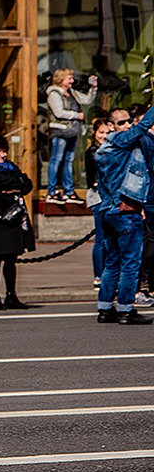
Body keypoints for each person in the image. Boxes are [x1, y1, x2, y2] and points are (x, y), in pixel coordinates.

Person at [94, 106, 154, 324]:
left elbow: (101, 186)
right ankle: (127, 310)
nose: (128, 125)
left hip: (108, 210)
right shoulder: (120, 141)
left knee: (112, 262)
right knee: (130, 262)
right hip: (125, 210)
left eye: (129, 121)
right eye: (122, 123)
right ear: (111, 126)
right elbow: (145, 125)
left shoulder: (103, 150)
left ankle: (105, 308)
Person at [0, 135, 35, 310]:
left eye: (4, 151)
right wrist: (12, 186)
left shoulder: (11, 167)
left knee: (12, 258)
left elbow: (27, 184)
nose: (2, 155)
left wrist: (14, 186)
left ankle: (11, 295)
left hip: (14, 219)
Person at [46, 69, 96, 204]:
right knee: (56, 160)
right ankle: (52, 191)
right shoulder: (54, 94)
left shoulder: (71, 92)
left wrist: (93, 88)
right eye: (69, 78)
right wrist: (76, 115)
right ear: (61, 80)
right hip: (60, 131)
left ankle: (68, 191)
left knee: (68, 160)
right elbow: (58, 112)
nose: (72, 81)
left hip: (72, 131)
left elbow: (86, 100)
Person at [86, 117, 110, 292]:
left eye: (107, 133)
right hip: (98, 196)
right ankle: (98, 276)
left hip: (108, 196)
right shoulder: (94, 151)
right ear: (94, 133)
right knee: (101, 238)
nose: (104, 136)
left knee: (109, 238)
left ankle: (107, 275)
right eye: (101, 132)